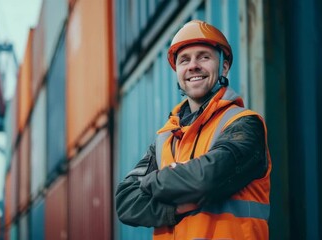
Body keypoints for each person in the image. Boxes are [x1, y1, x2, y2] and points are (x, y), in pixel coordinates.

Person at [115, 20, 272, 240]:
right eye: (184, 60)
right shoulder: (165, 139)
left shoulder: (244, 125)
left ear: (224, 66)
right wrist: (173, 210)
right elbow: (125, 201)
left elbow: (206, 179)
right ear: (177, 70)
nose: (193, 66)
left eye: (204, 57)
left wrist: (152, 180)